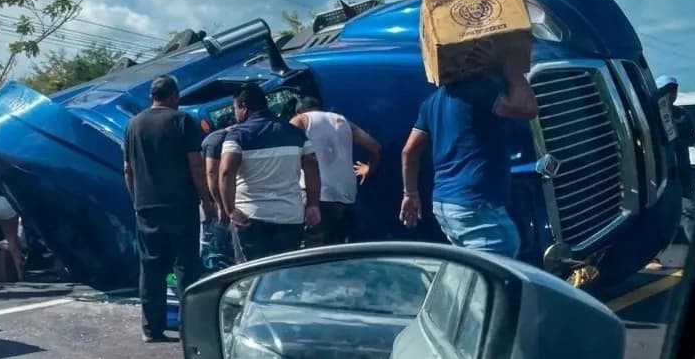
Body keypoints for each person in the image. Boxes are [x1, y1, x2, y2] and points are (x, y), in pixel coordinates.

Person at [399, 64, 538, 258]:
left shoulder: (431, 103)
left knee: (471, 273)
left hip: (444, 206)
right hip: (475, 207)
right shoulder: (476, 91)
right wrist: (512, 68)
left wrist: (410, 194)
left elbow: (409, 151)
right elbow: (528, 108)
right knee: (498, 274)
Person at [123, 75, 215, 343]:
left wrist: (137, 200)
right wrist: (207, 200)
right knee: (186, 266)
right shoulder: (182, 120)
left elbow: (128, 170)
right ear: (174, 95)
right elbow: (196, 165)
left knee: (150, 268)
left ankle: (151, 329)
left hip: (147, 207)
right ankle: (190, 327)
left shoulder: (133, 124)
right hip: (181, 206)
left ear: (152, 96)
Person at [219, 85, 322, 262]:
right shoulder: (296, 134)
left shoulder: (238, 135)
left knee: (252, 277)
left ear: (243, 106)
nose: (235, 113)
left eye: (235, 108)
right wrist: (313, 205)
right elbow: (312, 166)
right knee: (285, 274)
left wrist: (229, 209)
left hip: (250, 218)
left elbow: (226, 172)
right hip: (290, 216)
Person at [289, 96, 381, 246]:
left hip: (317, 196)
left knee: (311, 250)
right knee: (337, 251)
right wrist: (369, 169)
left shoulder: (300, 120)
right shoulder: (343, 121)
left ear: (299, 111)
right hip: (345, 196)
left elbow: (285, 147)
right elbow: (375, 147)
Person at [657, 76, 695, 243]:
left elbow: (691, 138)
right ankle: (656, 248)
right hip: (662, 175)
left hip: (683, 173)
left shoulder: (682, 114)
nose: (672, 93)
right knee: (665, 214)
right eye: (667, 89)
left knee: (689, 212)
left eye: (674, 89)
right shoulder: (652, 115)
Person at [199, 127, 235, 272]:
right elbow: (212, 172)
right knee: (216, 239)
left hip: (216, 199)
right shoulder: (216, 141)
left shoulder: (214, 139)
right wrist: (220, 204)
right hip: (215, 201)